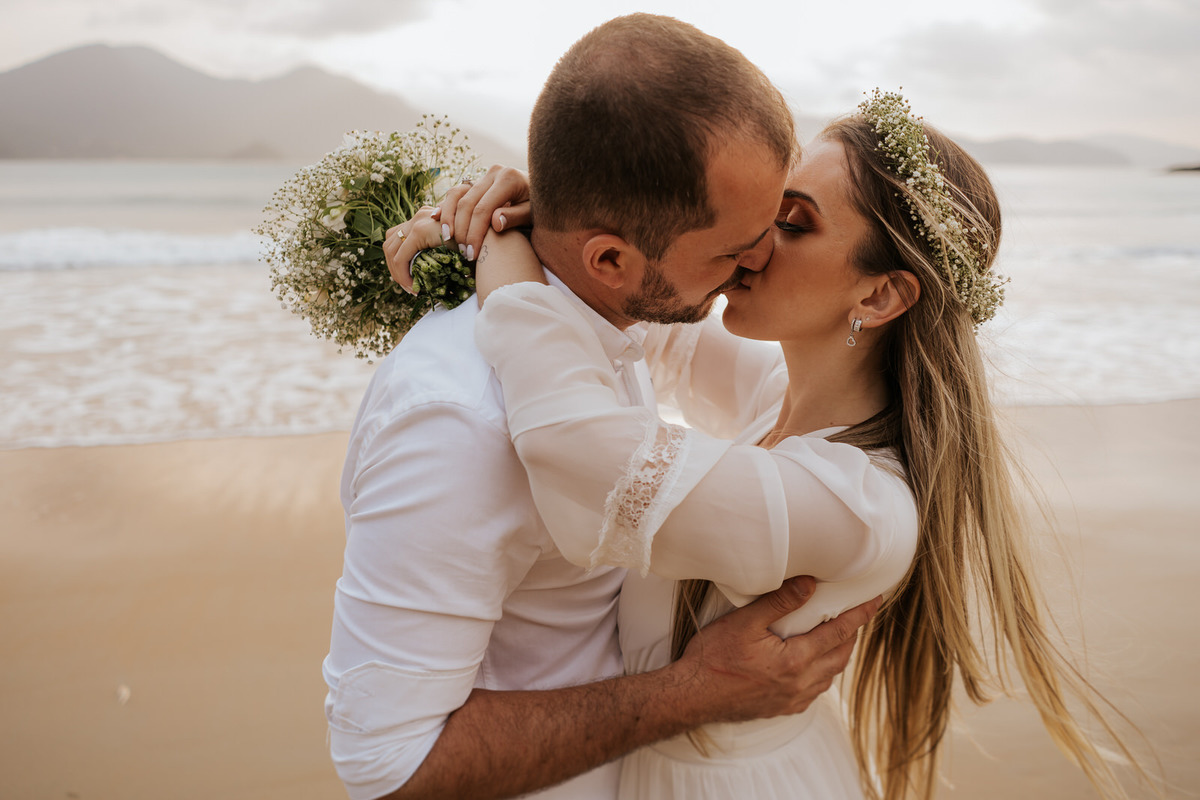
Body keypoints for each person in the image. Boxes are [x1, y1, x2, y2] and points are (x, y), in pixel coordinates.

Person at [395, 91, 1151, 798]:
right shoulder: (781, 396)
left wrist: (499, 249)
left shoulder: (857, 506)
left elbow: (581, 449)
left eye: (792, 223)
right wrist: (572, 218)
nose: (751, 243)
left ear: (879, 295)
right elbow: (657, 320)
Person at [324, 14, 881, 800]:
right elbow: (389, 766)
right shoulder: (457, 424)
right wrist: (696, 694)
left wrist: (513, 222)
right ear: (611, 258)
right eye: (735, 247)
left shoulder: (616, 323)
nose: (759, 261)